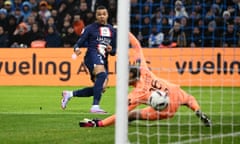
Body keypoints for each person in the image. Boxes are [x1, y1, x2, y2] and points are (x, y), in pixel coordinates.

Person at [79, 32, 211, 127]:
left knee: (131, 115)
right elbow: (136, 45)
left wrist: (100, 123)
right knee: (189, 99)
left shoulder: (137, 94)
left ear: (132, 78)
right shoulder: (143, 69)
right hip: (174, 91)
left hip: (165, 110)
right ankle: (197, 110)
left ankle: (127, 124)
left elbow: (119, 115)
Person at [61, 5, 116, 114]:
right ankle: (95, 106)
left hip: (103, 59)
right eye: (99, 14)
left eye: (104, 14)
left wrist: (111, 50)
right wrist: (76, 48)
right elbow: (79, 42)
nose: (102, 16)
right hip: (92, 56)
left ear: (107, 15)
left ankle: (70, 94)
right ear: (96, 16)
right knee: (102, 75)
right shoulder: (90, 28)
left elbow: (114, 51)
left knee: (101, 87)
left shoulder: (112, 30)